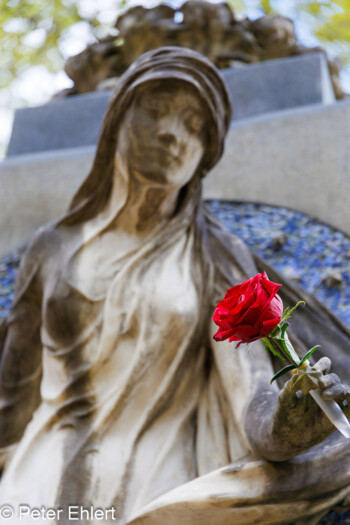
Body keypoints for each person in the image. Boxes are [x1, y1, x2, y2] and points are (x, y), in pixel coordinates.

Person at [0, 47, 349, 525]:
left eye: (194, 125)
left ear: (206, 153)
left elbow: (249, 395)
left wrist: (290, 424)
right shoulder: (52, 246)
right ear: (117, 121)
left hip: (161, 474)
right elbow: (12, 399)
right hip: (39, 477)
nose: (172, 133)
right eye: (157, 109)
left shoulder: (214, 255)